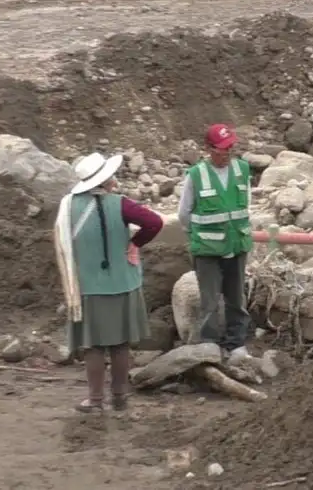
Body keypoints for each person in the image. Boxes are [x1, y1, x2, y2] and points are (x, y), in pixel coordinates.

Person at [54, 151, 164, 413]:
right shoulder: (122, 204)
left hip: (88, 287)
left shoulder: (68, 206)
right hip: (123, 284)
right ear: (105, 180)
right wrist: (135, 244)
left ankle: (94, 400)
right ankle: (120, 397)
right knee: (120, 344)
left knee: (93, 345)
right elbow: (154, 222)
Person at [177, 124, 252, 358]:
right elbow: (184, 213)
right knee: (209, 301)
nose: (227, 152)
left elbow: (245, 205)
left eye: (230, 147)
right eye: (222, 149)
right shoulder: (197, 175)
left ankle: (236, 343)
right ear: (209, 149)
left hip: (237, 245)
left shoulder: (242, 169)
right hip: (208, 249)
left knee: (236, 298)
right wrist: (200, 235)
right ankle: (209, 345)